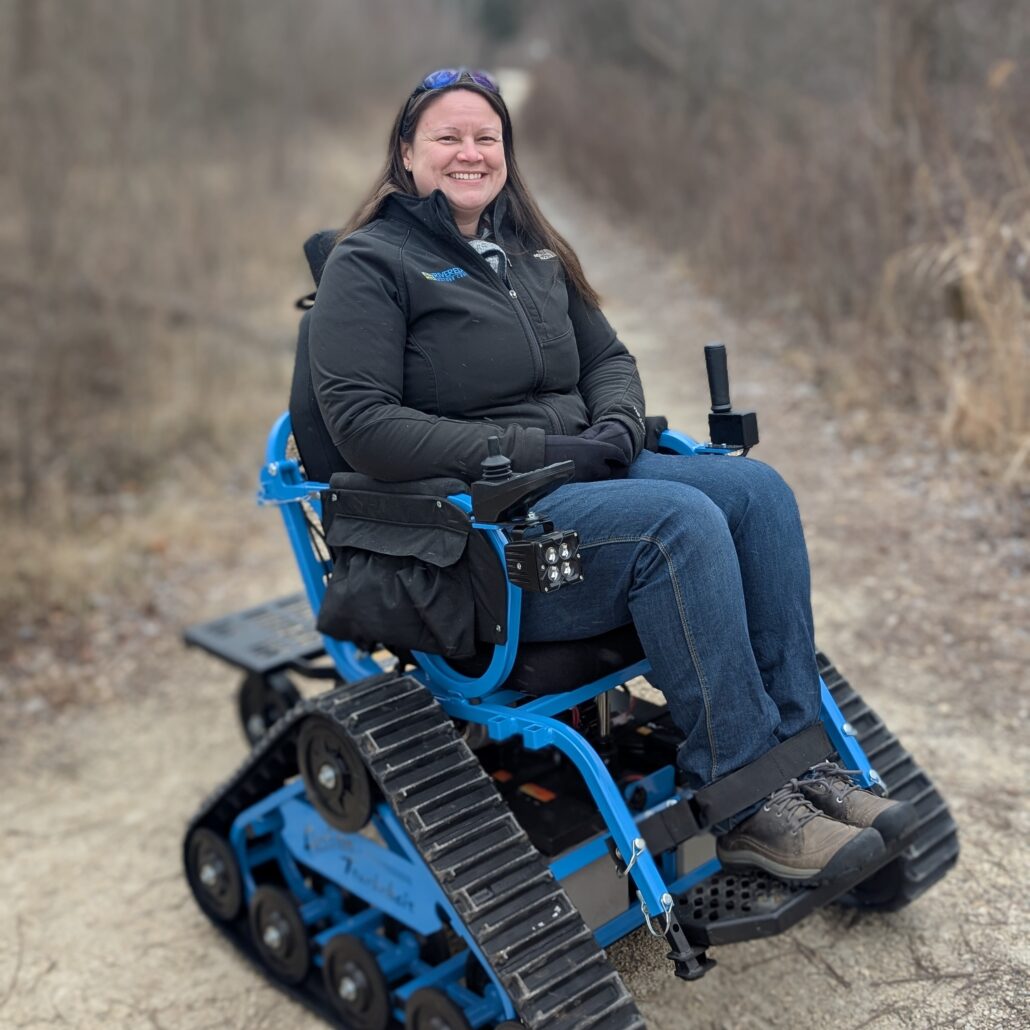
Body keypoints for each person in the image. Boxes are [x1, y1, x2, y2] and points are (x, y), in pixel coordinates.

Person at [308, 68, 915, 884]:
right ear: (407, 154)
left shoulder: (531, 252)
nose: (470, 151)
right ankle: (742, 806)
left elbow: (609, 361)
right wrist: (538, 454)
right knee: (679, 524)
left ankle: (804, 765)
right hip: (488, 531)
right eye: (447, 136)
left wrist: (621, 425)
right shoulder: (371, 263)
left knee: (759, 492)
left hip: (584, 482)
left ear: (505, 155)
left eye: (487, 137)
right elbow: (364, 427)